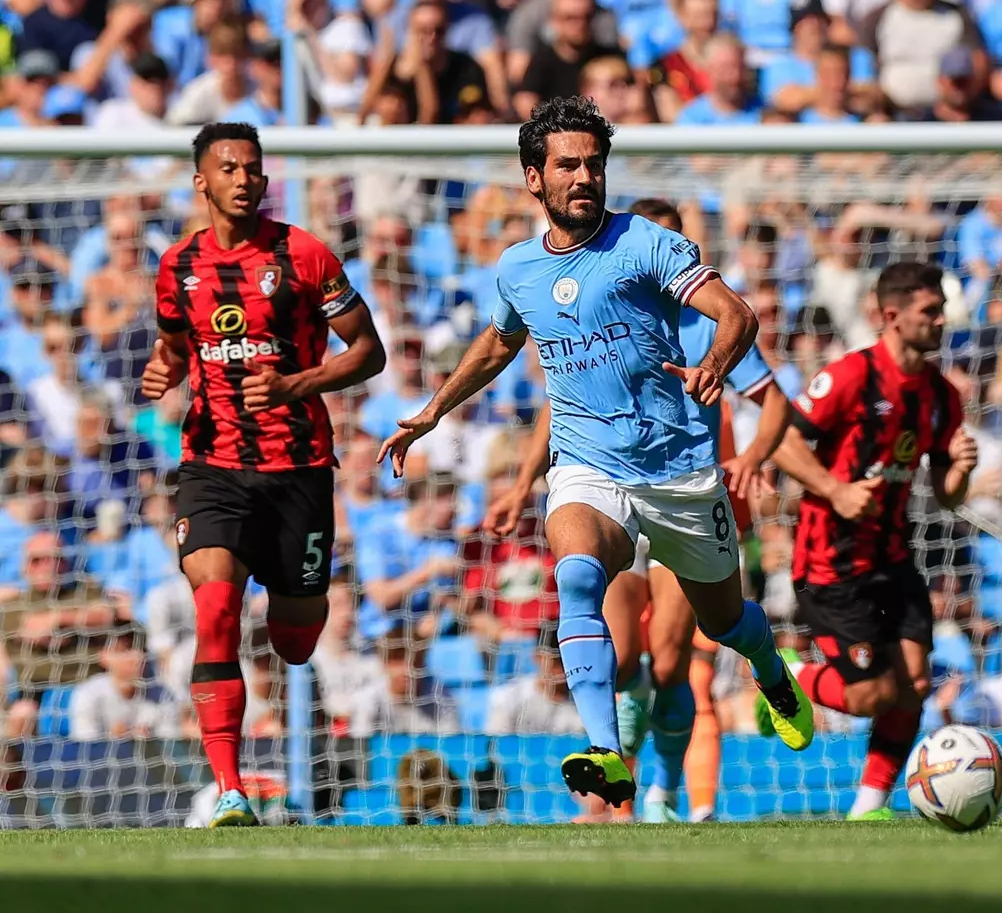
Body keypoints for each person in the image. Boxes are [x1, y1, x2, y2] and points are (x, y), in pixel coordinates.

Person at [378, 96, 812, 809]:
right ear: (533, 179)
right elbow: (498, 343)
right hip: (589, 467)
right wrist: (432, 411)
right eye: (567, 165)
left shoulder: (646, 244)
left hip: (677, 471)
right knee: (576, 577)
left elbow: (738, 315)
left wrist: (715, 367)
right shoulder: (518, 268)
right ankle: (607, 751)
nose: (583, 176)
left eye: (594, 164)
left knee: (723, 622)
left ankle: (770, 672)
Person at [485, 197, 794, 822]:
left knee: (690, 647)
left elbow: (774, 401)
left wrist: (754, 454)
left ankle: (675, 777)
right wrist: (521, 484)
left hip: (682, 490)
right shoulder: (603, 299)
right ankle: (616, 781)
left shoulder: (707, 321)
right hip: (605, 487)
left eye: (677, 248)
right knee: (619, 648)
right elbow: (559, 403)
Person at [140, 121, 386, 827]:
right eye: (229, 168)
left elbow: (368, 352)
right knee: (214, 612)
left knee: (295, 640)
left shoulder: (304, 255)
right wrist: (167, 368)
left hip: (299, 469)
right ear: (202, 181)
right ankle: (229, 789)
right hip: (212, 466)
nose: (244, 179)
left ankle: (285, 654)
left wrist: (296, 385)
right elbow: (175, 343)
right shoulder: (178, 266)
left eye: (253, 168)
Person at [760, 261, 977, 821]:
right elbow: (782, 440)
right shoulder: (852, 376)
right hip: (831, 563)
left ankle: (869, 806)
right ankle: (790, 677)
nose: (940, 320)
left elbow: (947, 496)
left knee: (917, 682)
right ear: (891, 316)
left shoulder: (940, 395)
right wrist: (834, 489)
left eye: (941, 310)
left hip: (893, 558)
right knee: (871, 697)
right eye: (929, 311)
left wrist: (961, 470)